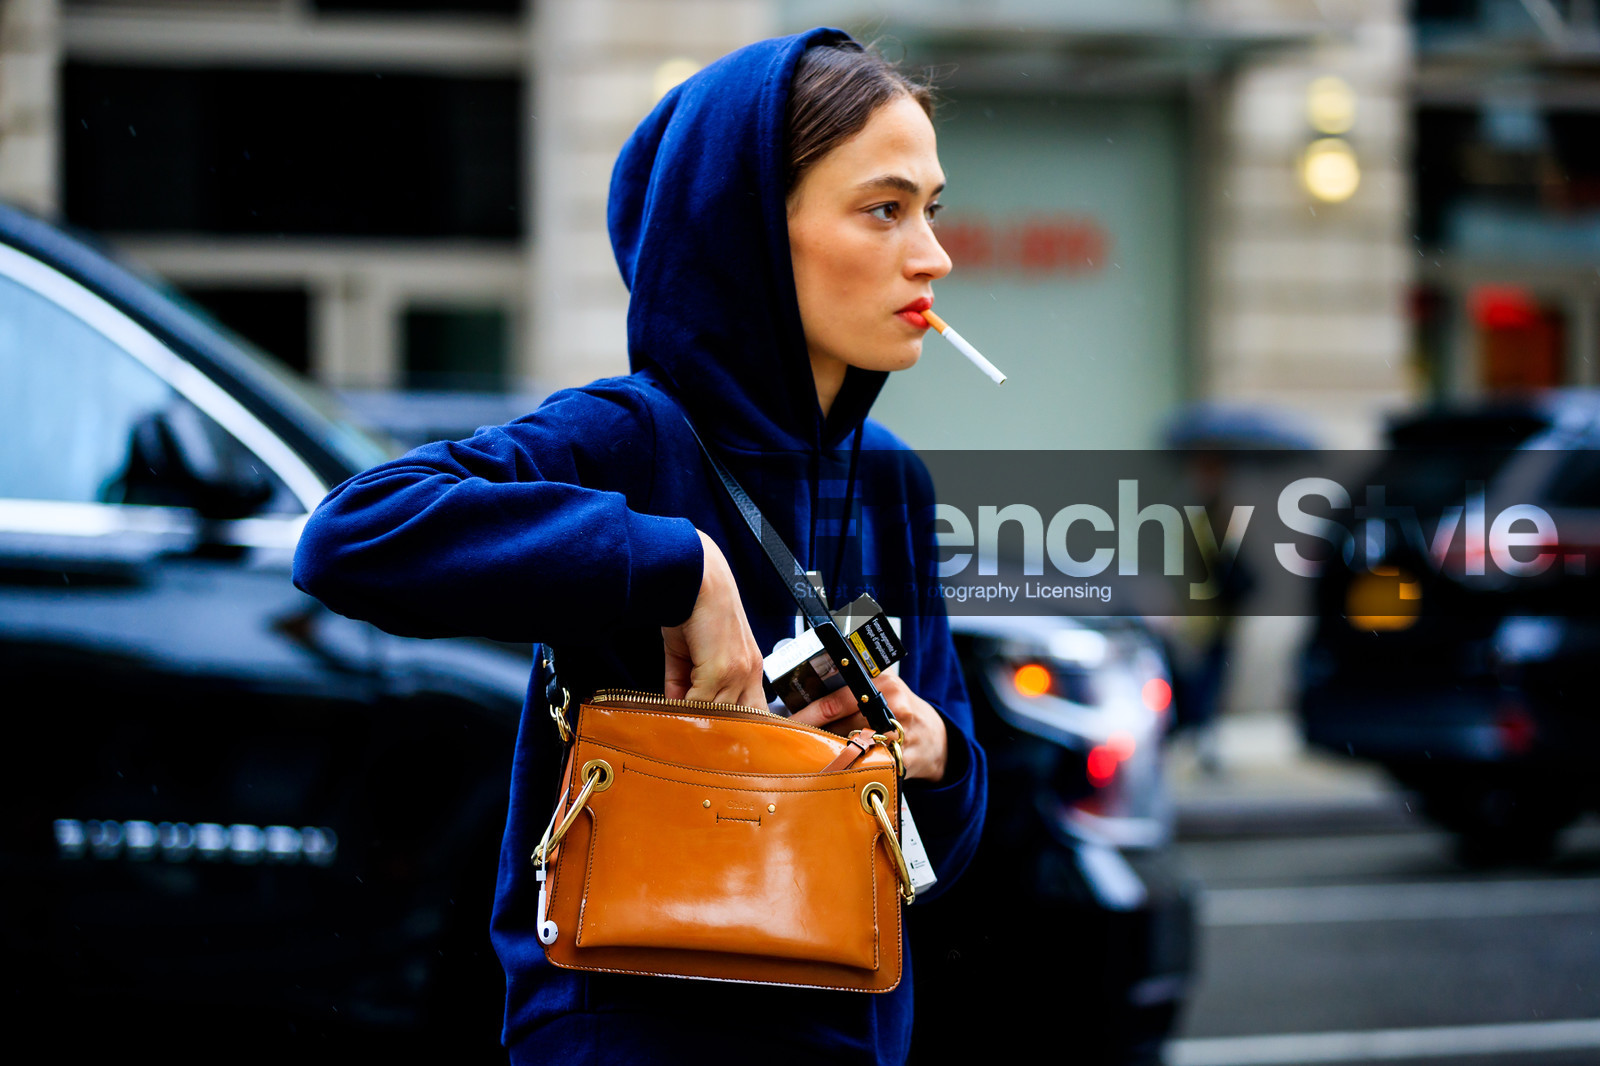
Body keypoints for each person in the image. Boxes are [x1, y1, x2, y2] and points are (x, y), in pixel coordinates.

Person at [293, 27, 986, 1066]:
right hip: (632, 1030)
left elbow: (952, 841)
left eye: (929, 209)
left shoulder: (889, 478)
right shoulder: (626, 436)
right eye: (882, 209)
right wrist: (677, 567)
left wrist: (933, 759)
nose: (930, 253)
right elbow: (353, 533)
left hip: (848, 1022)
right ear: (748, 228)